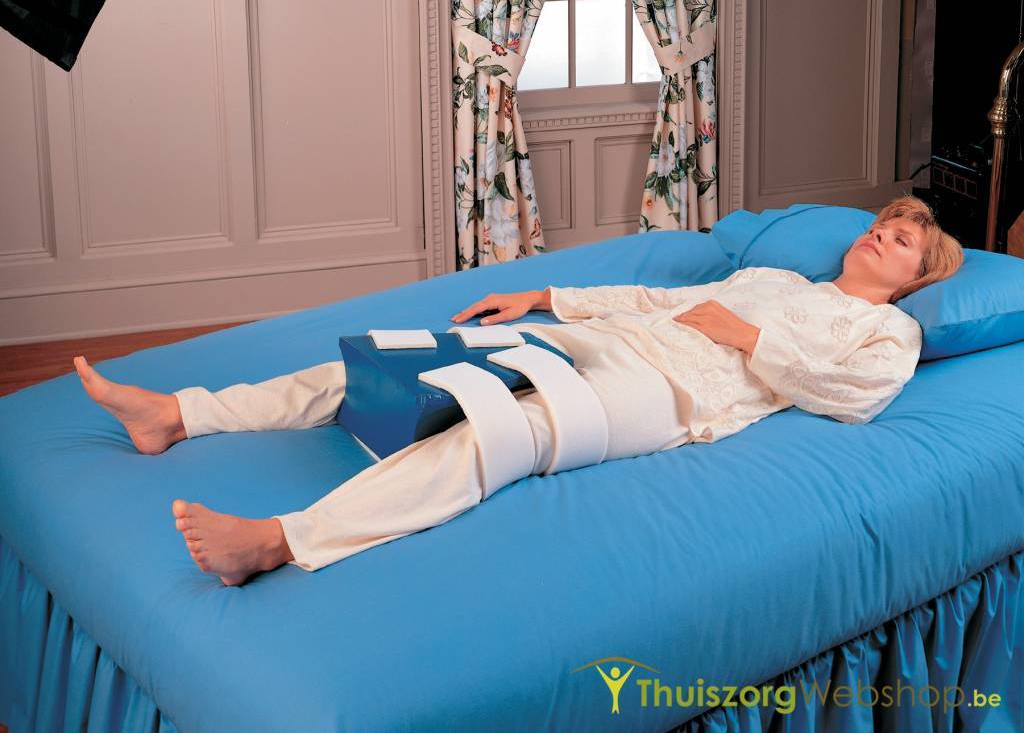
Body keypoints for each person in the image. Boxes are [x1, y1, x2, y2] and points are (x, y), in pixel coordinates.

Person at [73, 196, 963, 586]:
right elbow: (656, 300)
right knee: (390, 364)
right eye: (883, 224)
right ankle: (178, 414)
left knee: (501, 431)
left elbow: (855, 396)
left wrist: (748, 339)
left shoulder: (890, 332)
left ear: (916, 277)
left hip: (676, 394)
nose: (881, 236)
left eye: (901, 242)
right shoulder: (776, 276)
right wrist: (545, 296)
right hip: (618, 340)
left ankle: (277, 541)